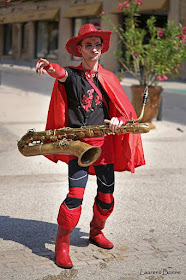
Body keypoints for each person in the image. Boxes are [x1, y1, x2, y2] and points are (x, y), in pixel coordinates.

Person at [36, 23, 145, 269]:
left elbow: (124, 112)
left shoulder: (109, 77)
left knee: (106, 198)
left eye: (97, 45)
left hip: (104, 146)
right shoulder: (72, 76)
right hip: (79, 147)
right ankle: (62, 245)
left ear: (101, 49)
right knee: (75, 197)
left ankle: (96, 232)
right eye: (88, 45)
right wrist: (47, 65)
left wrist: (119, 120)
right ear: (80, 49)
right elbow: (59, 72)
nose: (94, 49)